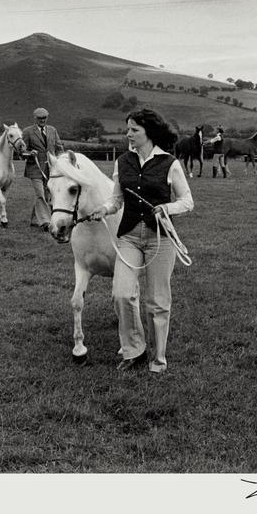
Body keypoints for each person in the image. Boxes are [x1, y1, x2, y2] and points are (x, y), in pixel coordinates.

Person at [86, 108, 194, 374]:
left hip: (161, 238)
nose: (128, 134)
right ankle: (134, 349)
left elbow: (187, 202)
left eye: (134, 129)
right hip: (130, 237)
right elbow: (117, 199)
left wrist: (167, 208)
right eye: (127, 129)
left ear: (149, 131)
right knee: (121, 294)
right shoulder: (122, 162)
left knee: (157, 301)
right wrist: (105, 208)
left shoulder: (170, 163)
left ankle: (158, 359)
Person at [21, 107, 64, 229]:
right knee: (40, 194)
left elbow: (59, 147)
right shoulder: (27, 132)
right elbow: (21, 152)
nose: (42, 120)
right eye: (40, 118)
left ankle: (35, 220)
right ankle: (46, 221)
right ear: (35, 118)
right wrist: (30, 153)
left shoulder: (52, 130)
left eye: (44, 118)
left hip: (51, 169)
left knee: (46, 195)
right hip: (35, 169)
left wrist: (62, 160)